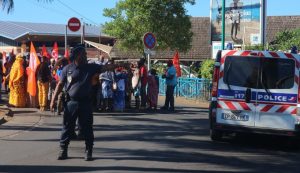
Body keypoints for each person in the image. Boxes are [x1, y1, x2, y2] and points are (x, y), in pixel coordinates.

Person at [50, 44, 105, 161]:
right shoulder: (67, 69)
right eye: (84, 54)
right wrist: (53, 100)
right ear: (78, 55)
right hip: (71, 103)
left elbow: (106, 68)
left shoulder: (91, 67)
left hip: (85, 103)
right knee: (66, 127)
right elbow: (60, 85)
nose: (86, 55)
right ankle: (63, 150)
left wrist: (118, 65)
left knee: (87, 128)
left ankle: (88, 151)